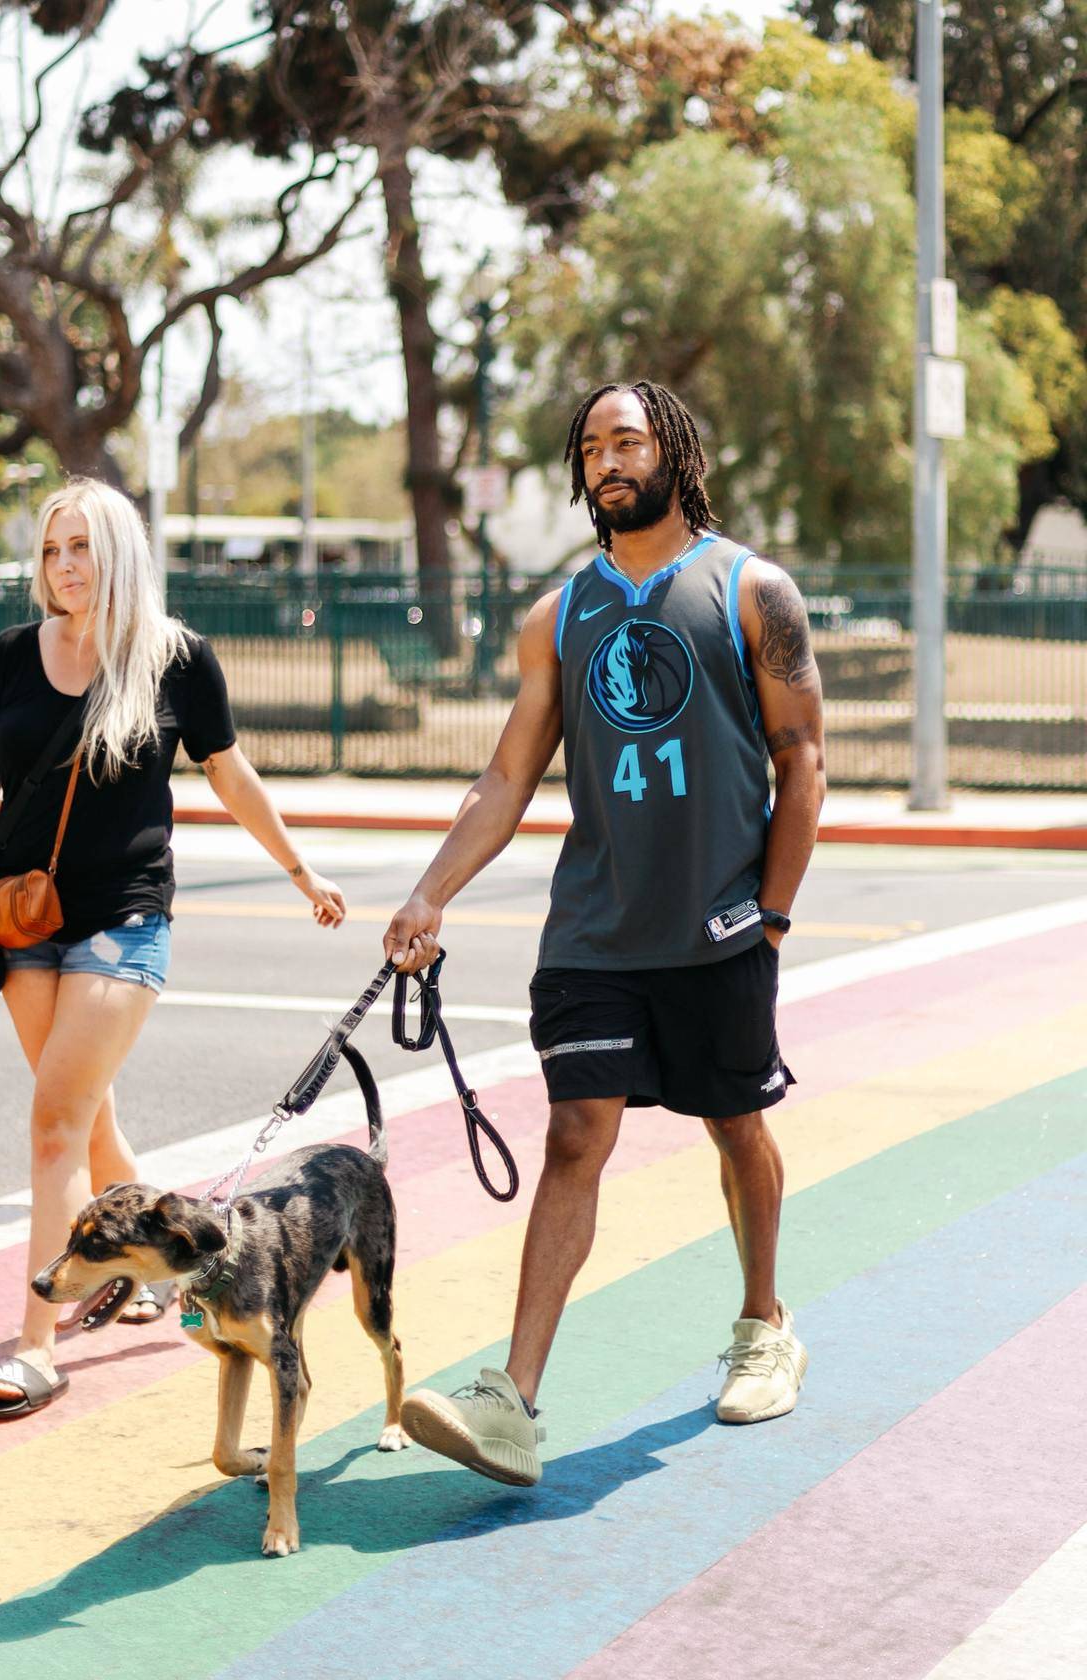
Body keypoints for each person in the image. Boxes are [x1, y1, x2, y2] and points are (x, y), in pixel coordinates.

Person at [383, 380, 826, 1486]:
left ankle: (765, 1323)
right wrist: (431, 891)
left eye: (628, 439)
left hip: (719, 924)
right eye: (592, 447)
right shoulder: (560, 613)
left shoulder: (750, 590)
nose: (610, 460)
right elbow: (506, 774)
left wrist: (769, 916)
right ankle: (512, 1401)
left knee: (735, 1125)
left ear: (674, 448)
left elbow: (803, 759)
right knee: (577, 1133)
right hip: (594, 929)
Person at [0, 478, 347, 1421]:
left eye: (84, 548)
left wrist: (302, 871)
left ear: (122, 554)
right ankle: (178, 1263)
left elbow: (230, 772)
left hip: (125, 916)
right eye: (54, 549)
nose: (65, 566)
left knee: (55, 1119)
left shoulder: (176, 659)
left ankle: (35, 1346)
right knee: (87, 1116)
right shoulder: (12, 656)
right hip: (21, 918)